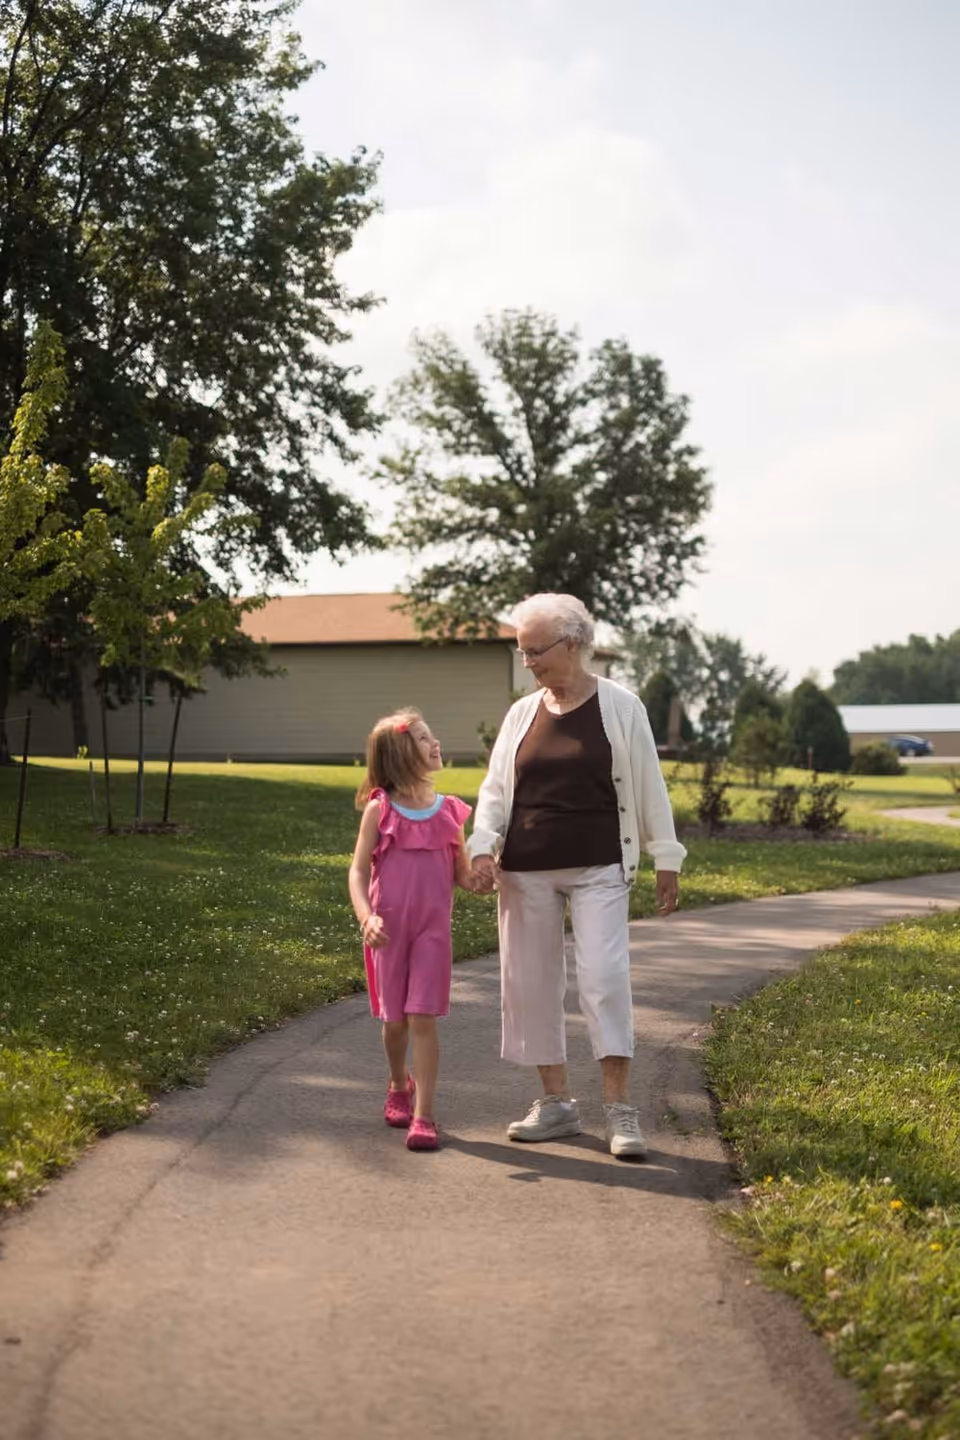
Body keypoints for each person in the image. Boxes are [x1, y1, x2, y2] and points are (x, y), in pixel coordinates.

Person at [468, 593, 685, 1160]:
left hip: (600, 865)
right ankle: (557, 1104)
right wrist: (482, 848)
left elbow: (648, 785)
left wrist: (667, 856)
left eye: (534, 651)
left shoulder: (621, 706)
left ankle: (620, 1110)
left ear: (572, 644)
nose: (529, 663)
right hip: (524, 870)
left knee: (605, 978)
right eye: (522, 653)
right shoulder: (522, 714)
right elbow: (494, 791)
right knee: (531, 983)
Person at [349, 709, 473, 1152]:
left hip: (432, 933)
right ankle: (398, 1082)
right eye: (423, 738)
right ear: (401, 755)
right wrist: (367, 918)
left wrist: (478, 877)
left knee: (423, 1017)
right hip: (389, 931)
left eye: (431, 735)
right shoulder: (379, 811)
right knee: (395, 1022)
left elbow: (461, 873)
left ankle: (424, 1114)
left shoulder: (451, 812)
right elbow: (358, 872)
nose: (434, 742)